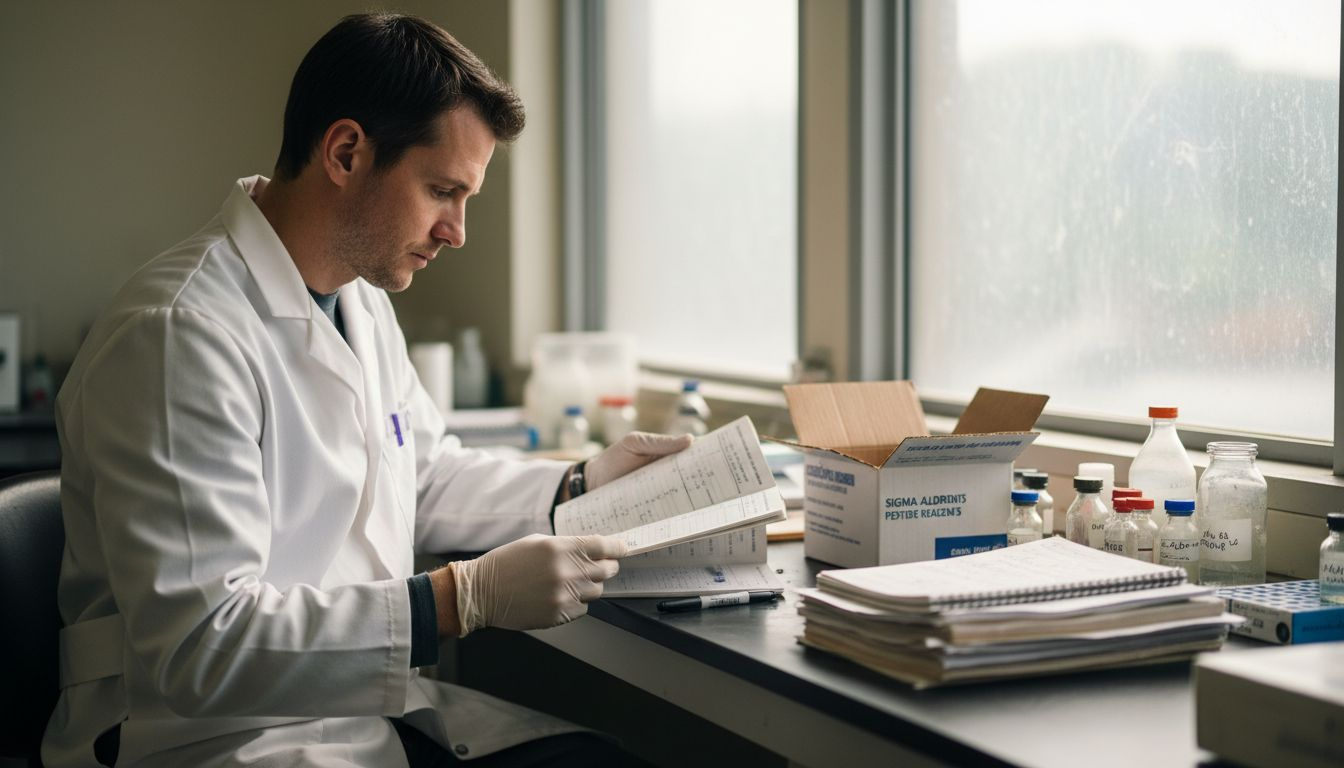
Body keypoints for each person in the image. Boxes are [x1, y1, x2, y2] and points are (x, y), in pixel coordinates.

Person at [44, 13, 691, 768]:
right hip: (206, 740)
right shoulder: (176, 332)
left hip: (349, 719)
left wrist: (583, 482)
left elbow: (420, 470)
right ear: (347, 152)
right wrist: (457, 600)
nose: (456, 231)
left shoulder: (360, 300)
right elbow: (202, 647)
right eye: (442, 191)